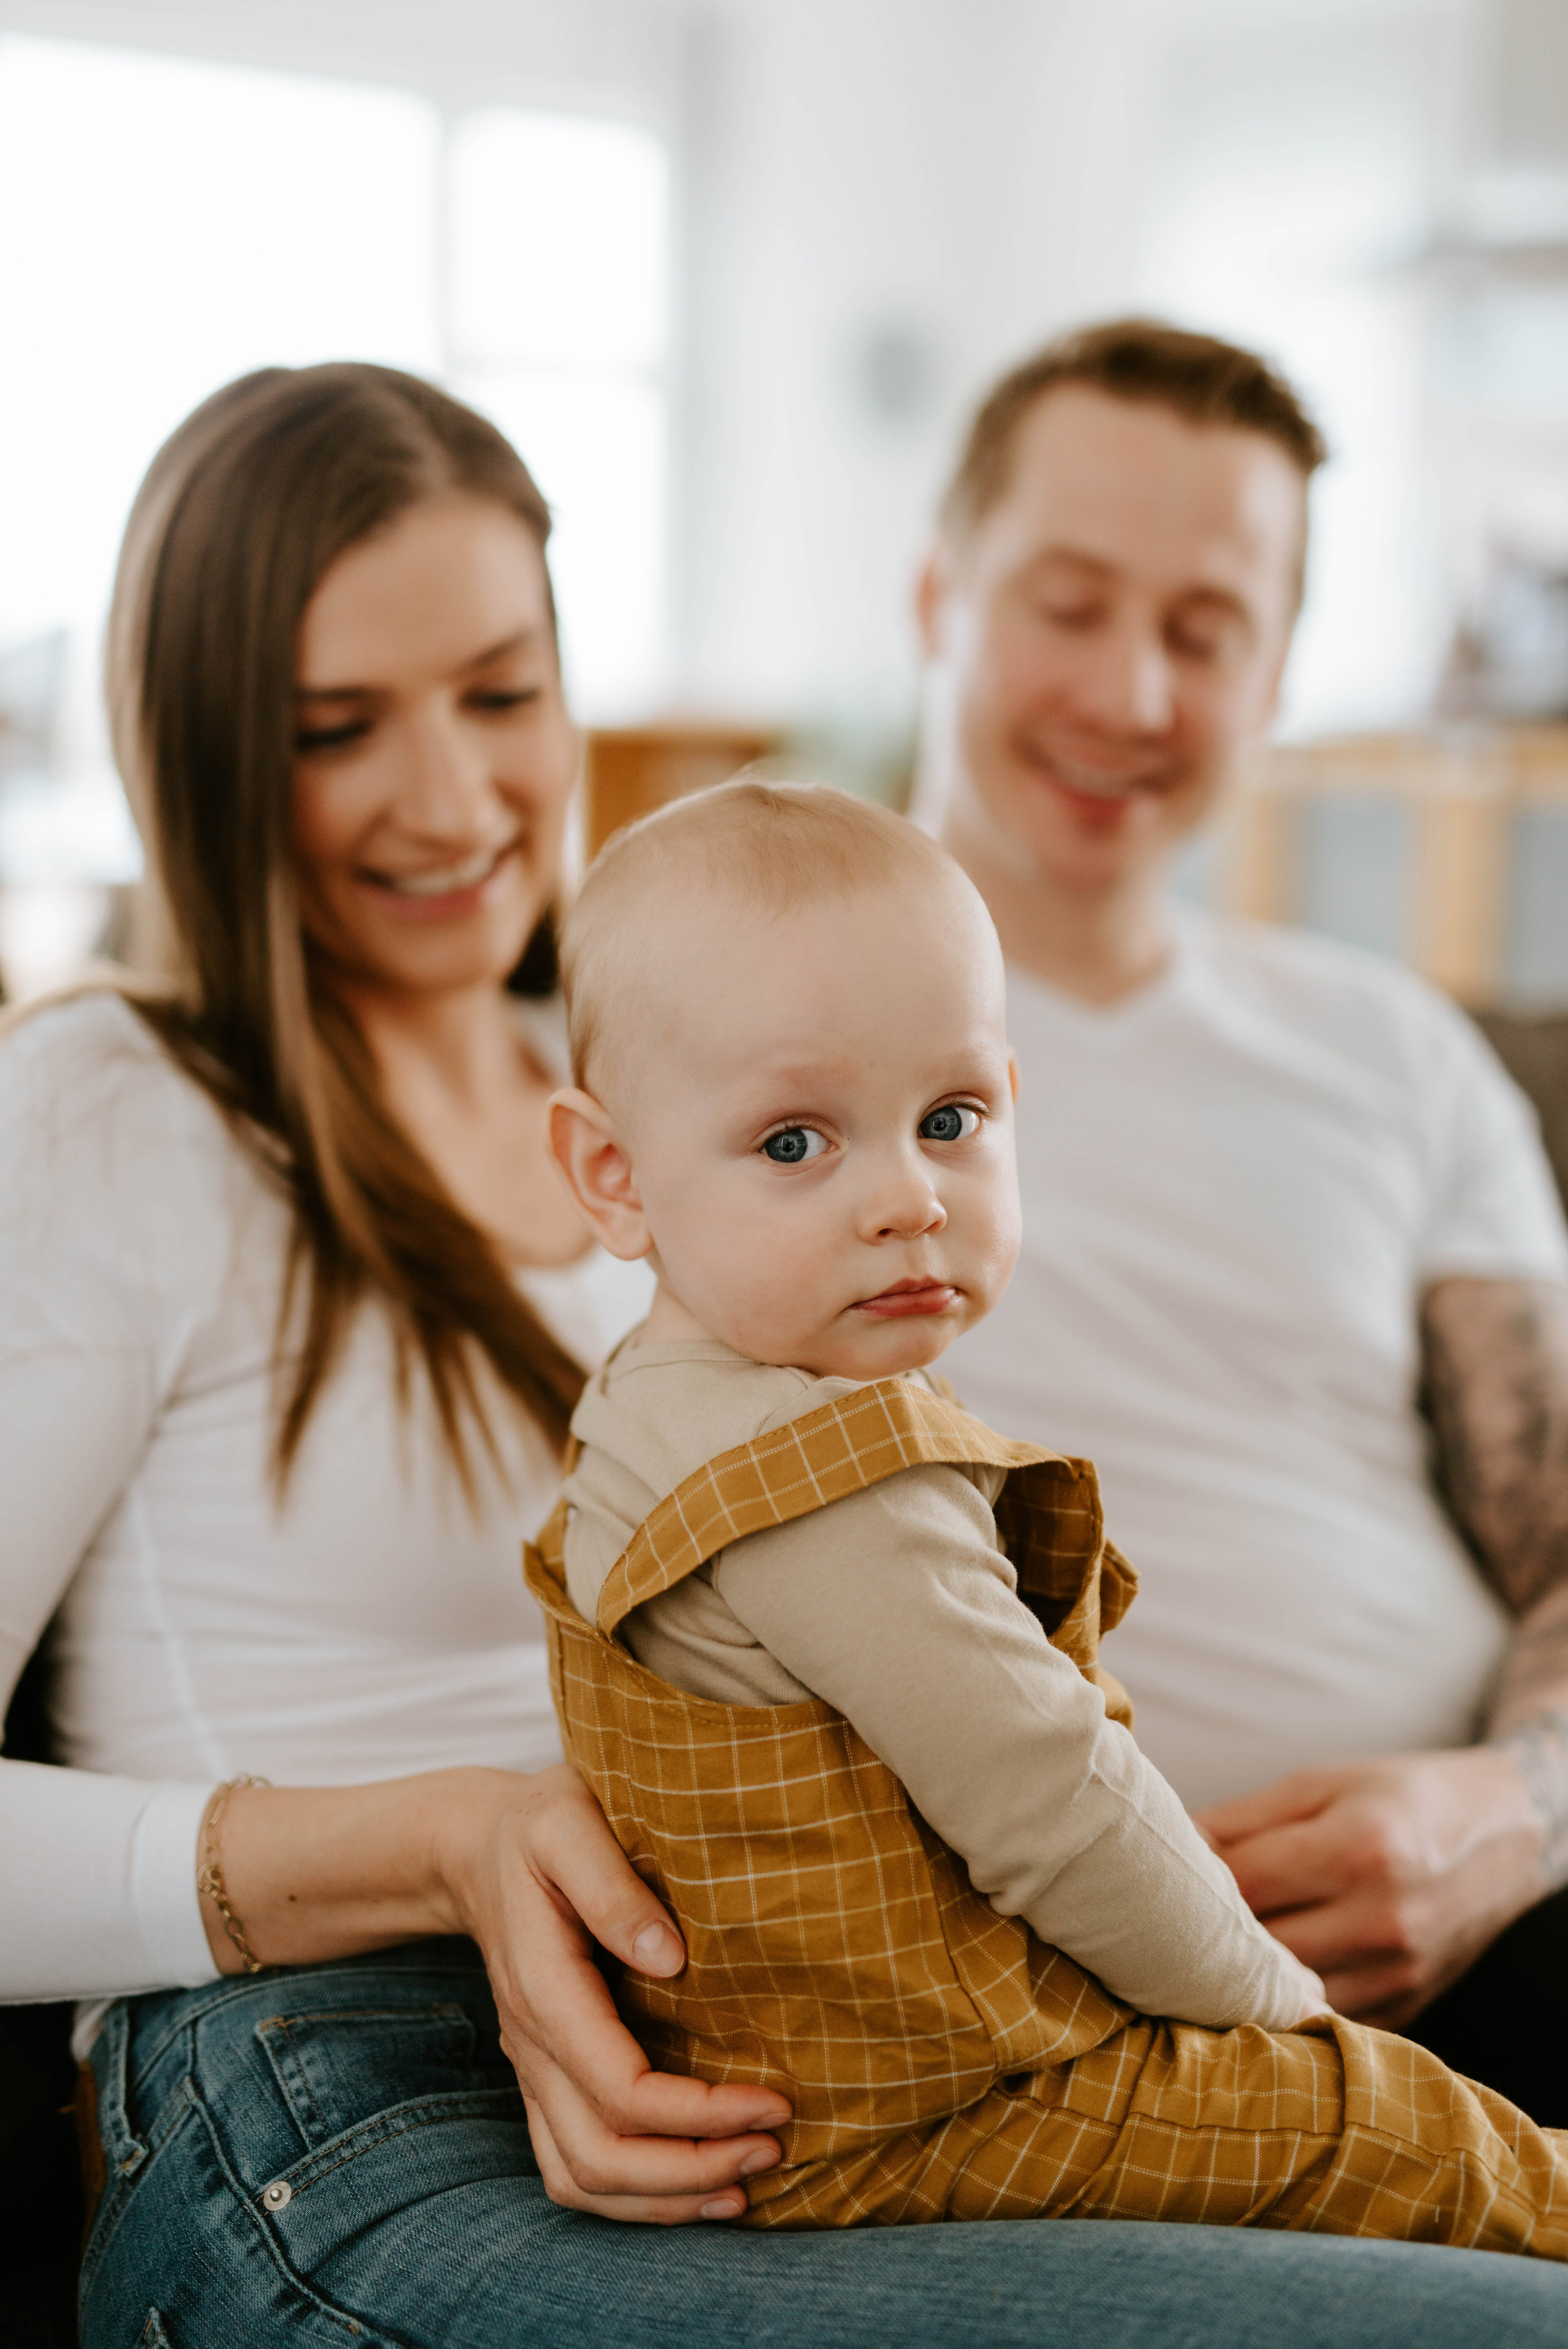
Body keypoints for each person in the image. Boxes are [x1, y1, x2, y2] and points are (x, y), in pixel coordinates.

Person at [18, 361, 1559, 2348]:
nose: (452, 799)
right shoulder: (115, 1099)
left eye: (501, 693)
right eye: (337, 727)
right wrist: (452, 1843)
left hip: (773, 2065)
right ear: (204, 751)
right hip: (341, 2095)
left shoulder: (689, 1106)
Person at [530, 774, 1568, 2254]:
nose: (907, 1197)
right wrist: (1279, 2017)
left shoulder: (649, 1402)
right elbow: (1054, 1802)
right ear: (611, 1175)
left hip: (858, 2080)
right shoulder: (826, 1482)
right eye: (793, 1143)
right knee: (1392, 2131)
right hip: (936, 2094)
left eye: (947, 1119)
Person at [922, 319, 1568, 2120]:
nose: (1132, 694)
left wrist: (1507, 1816)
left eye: (1205, 632)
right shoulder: (722, 1035)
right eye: (1069, 605)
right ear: (936, 595)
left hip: (1487, 1934)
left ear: (1276, 672)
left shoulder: (1397, 1054)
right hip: (1017, 2005)